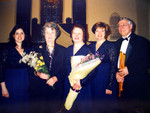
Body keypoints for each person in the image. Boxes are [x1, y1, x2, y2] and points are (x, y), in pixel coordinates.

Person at [115, 17, 150, 112]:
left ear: (131, 26)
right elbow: (114, 63)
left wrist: (130, 69)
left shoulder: (142, 41)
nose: (121, 27)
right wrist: (116, 74)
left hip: (137, 86)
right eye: (119, 26)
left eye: (124, 25)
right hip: (120, 86)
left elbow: (147, 61)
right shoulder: (117, 43)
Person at [30, 22, 66, 113]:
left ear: (56, 35)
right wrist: (38, 73)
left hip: (56, 89)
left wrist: (56, 78)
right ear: (44, 34)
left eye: (52, 33)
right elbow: (30, 69)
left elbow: (65, 69)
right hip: (39, 89)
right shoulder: (36, 49)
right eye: (47, 33)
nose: (50, 35)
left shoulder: (63, 50)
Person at [0, 25, 31, 112]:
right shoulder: (6, 49)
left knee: (24, 108)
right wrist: (3, 88)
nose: (19, 36)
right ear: (13, 35)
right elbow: (1, 68)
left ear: (25, 35)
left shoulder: (29, 50)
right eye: (17, 33)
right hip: (11, 84)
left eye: (22, 33)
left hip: (25, 83)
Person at [88, 22, 118, 113]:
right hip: (92, 81)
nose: (99, 33)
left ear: (106, 33)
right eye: (97, 31)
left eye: (102, 31)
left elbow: (113, 66)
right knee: (94, 106)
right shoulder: (90, 46)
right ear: (94, 32)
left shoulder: (110, 46)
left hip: (105, 80)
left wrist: (109, 86)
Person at [63, 24, 92, 113]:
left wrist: (81, 82)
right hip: (69, 84)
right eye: (74, 33)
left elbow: (93, 70)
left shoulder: (88, 50)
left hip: (82, 86)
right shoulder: (68, 49)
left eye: (79, 33)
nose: (76, 35)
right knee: (69, 108)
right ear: (71, 35)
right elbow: (64, 67)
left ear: (83, 35)